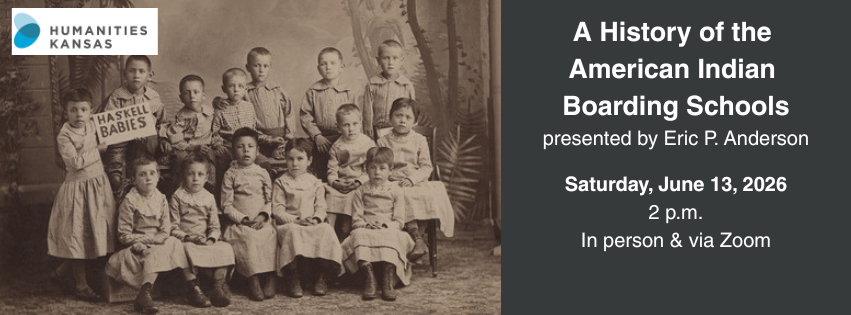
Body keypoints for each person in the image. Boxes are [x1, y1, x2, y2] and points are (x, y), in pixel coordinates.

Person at [105, 155, 209, 313]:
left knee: (174, 243)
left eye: (152, 173)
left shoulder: (160, 199)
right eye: (142, 174)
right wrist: (143, 241)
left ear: (158, 176)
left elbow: (165, 229)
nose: (148, 178)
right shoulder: (130, 201)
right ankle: (145, 292)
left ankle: (193, 286)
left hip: (157, 242)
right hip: (137, 247)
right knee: (157, 251)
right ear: (133, 179)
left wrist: (158, 240)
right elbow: (124, 234)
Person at [47, 88, 116, 301]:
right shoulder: (64, 135)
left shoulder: (95, 125)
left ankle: (60, 273)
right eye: (73, 110)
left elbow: (118, 128)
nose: (79, 114)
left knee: (95, 233)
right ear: (65, 112)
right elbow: (75, 163)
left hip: (98, 186)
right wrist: (98, 150)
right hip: (78, 189)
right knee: (79, 235)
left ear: (90, 111)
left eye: (83, 109)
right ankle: (81, 285)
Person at [377, 98, 455, 260]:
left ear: (414, 121)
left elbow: (426, 167)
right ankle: (416, 242)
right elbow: (380, 166)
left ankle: (413, 244)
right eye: (398, 115)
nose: (402, 120)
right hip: (392, 182)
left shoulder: (419, 140)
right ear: (391, 117)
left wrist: (412, 179)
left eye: (408, 117)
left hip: (415, 183)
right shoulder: (383, 141)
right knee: (398, 196)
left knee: (422, 198)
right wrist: (389, 180)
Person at [272, 138, 344, 298]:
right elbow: (278, 210)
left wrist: (316, 219)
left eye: (300, 159)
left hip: (312, 223)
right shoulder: (281, 182)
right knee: (293, 231)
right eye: (290, 159)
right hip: (290, 224)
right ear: (285, 159)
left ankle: (322, 275)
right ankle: (293, 276)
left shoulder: (315, 183)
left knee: (326, 229)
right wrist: (296, 220)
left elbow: (321, 206)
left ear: (309, 161)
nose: (295, 164)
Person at [341, 147, 414, 301]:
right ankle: (369, 277)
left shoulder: (396, 190)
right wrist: (365, 224)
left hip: (388, 227)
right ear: (366, 169)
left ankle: (388, 279)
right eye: (372, 168)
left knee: (392, 236)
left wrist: (386, 225)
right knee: (358, 235)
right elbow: (357, 218)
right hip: (367, 227)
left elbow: (399, 220)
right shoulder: (361, 191)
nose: (377, 172)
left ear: (391, 170)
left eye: (382, 168)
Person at [169, 151, 236, 307]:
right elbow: (172, 226)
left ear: (206, 177)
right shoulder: (177, 197)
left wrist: (211, 239)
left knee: (225, 248)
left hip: (204, 239)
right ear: (183, 176)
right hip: (186, 240)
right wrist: (189, 237)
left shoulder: (209, 197)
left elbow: (214, 226)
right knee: (182, 251)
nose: (195, 178)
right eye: (190, 174)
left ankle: (217, 286)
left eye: (200, 174)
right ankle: (194, 288)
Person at [220, 128, 278, 301]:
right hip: (240, 222)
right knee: (247, 237)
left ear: (257, 150)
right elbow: (226, 205)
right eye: (240, 147)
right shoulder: (230, 174)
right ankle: (252, 279)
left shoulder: (262, 173)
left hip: (261, 220)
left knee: (270, 234)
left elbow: (270, 200)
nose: (246, 151)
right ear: (233, 150)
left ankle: (269, 276)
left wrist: (262, 217)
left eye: (250, 146)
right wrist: (243, 219)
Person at [100, 55, 166, 201]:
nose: (136, 75)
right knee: (115, 177)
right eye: (132, 71)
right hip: (120, 144)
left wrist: (163, 139)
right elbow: (108, 124)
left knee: (146, 168)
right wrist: (129, 133)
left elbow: (162, 123)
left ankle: (147, 200)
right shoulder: (117, 97)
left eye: (141, 71)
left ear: (150, 75)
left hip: (146, 143)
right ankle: (118, 203)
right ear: (125, 74)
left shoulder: (154, 98)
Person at [300, 47, 357, 180]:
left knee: (342, 167)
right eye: (323, 64)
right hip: (321, 139)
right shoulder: (313, 91)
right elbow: (305, 115)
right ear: (318, 68)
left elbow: (355, 117)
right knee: (320, 166)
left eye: (333, 63)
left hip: (342, 137)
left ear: (341, 67)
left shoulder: (348, 92)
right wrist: (317, 135)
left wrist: (348, 134)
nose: (328, 67)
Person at [158, 75, 218, 195]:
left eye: (196, 92)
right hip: (187, 149)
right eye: (187, 93)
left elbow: (215, 131)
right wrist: (192, 147)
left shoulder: (210, 113)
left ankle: (209, 192)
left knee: (212, 164)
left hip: (206, 148)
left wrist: (216, 140)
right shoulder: (181, 118)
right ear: (181, 98)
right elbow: (175, 140)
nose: (192, 96)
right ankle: (181, 194)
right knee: (183, 165)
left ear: (203, 95)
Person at [324, 104, 375, 241]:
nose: (351, 129)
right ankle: (329, 230)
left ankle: (347, 226)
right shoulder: (337, 146)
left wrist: (358, 181)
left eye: (354, 124)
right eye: (346, 125)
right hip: (341, 183)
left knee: (354, 195)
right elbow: (332, 169)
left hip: (359, 182)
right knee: (331, 194)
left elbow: (370, 169)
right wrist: (335, 182)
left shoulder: (367, 144)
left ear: (360, 123)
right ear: (338, 127)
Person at [244, 47, 294, 159]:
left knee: (283, 159)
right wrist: (217, 101)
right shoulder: (245, 92)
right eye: (256, 66)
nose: (261, 70)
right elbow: (232, 103)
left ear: (270, 68)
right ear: (248, 68)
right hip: (257, 138)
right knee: (261, 163)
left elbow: (289, 113)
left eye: (265, 66)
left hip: (281, 138)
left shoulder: (277, 90)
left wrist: (289, 136)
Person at [362, 40, 415, 139]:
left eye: (395, 58)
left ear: (401, 61)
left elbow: (412, 111)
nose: (390, 62)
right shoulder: (372, 84)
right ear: (378, 61)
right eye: (386, 58)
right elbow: (367, 110)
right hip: (377, 131)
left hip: (400, 131)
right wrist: (368, 129)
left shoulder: (406, 85)